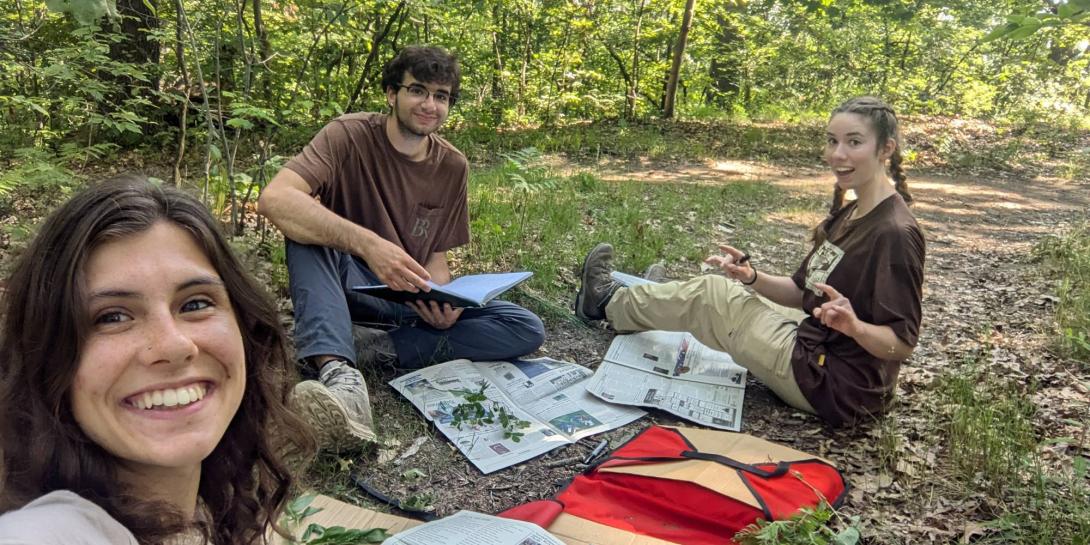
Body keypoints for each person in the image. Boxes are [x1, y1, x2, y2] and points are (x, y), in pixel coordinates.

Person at [257, 45, 545, 449]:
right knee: (307, 236)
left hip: (405, 299)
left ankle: (370, 347)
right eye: (418, 91)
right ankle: (342, 382)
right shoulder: (348, 135)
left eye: (441, 96)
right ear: (392, 94)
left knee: (523, 326)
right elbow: (276, 199)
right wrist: (369, 244)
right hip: (347, 282)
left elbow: (436, 256)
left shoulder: (452, 165)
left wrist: (443, 301)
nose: (429, 104)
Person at [575, 96, 925, 427]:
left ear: (886, 149)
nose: (837, 154)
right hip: (822, 350)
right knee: (733, 291)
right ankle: (653, 300)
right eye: (831, 141)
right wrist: (751, 277)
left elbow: (902, 343)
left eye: (853, 142)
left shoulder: (894, 232)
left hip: (835, 385)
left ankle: (604, 302)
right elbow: (799, 291)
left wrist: (856, 328)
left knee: (711, 296)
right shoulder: (854, 210)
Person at [0, 177, 314, 544]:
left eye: (195, 304)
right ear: (46, 357)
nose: (173, 345)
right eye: (112, 316)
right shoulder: (50, 532)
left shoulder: (210, 510)